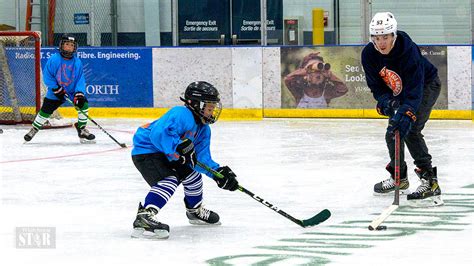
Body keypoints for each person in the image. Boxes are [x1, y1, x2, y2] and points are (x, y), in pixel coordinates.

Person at [130, 81, 240, 239]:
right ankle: (145, 216)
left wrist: (218, 173)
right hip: (148, 151)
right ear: (196, 104)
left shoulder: (203, 130)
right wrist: (178, 146)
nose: (212, 111)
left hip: (168, 154)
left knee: (193, 176)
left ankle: (194, 211)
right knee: (169, 180)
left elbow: (200, 159)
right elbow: (158, 135)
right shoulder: (181, 113)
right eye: (209, 107)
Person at [361, 12, 442, 206]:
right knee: (392, 132)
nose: (381, 43)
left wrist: (407, 112)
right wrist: (386, 102)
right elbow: (377, 87)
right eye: (377, 38)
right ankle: (400, 177)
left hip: (426, 86)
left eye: (385, 37)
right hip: (399, 93)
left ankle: (430, 181)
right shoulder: (369, 54)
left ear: (393, 35)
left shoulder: (408, 50)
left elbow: (415, 89)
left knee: (411, 130)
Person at [23, 34, 95, 143]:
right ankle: (34, 128)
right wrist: (56, 88)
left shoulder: (77, 62)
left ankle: (82, 129)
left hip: (71, 92)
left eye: (72, 45)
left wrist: (79, 93)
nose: (69, 47)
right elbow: (48, 76)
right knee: (45, 111)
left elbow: (80, 79)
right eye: (67, 44)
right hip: (56, 91)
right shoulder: (54, 59)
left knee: (83, 105)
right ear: (61, 45)